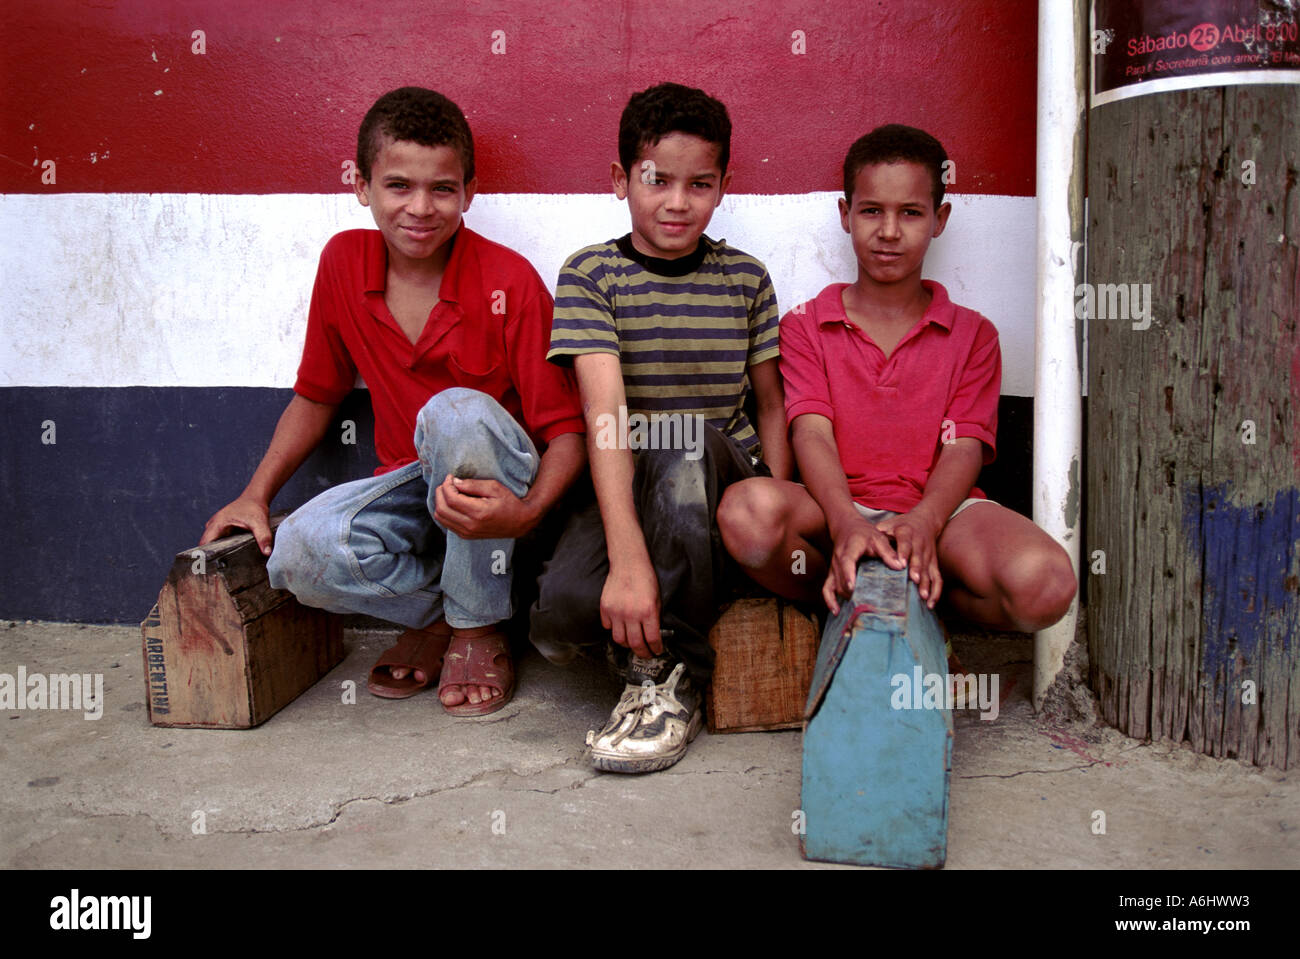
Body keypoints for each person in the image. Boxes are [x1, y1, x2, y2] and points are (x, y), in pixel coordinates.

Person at [200, 87, 585, 716]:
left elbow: (567, 431)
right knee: (297, 555)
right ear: (361, 185)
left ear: (469, 191)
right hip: (409, 493)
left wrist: (526, 513)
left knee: (455, 411)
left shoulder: (508, 280)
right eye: (398, 185)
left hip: (504, 505)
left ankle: (476, 630)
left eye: (442, 189)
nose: (420, 208)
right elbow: (317, 396)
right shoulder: (342, 264)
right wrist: (256, 494)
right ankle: (461, 612)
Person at [717, 124, 1076, 634]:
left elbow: (964, 448)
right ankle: (839, 596)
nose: (889, 231)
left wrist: (925, 523)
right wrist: (845, 523)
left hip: (941, 514)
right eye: (871, 211)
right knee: (745, 517)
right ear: (846, 216)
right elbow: (811, 432)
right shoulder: (805, 325)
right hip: (831, 509)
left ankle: (933, 605)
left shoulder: (973, 334)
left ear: (939, 219)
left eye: (910, 213)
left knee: (1046, 586)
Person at [530, 82, 793, 773]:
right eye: (656, 180)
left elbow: (771, 404)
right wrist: (626, 558)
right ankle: (667, 597)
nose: (677, 202)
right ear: (621, 180)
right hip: (630, 472)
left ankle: (668, 675)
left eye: (699, 183)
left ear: (723, 185)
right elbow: (605, 417)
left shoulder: (746, 279)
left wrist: (785, 513)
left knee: (681, 438)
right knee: (558, 618)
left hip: (721, 466)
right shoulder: (592, 275)